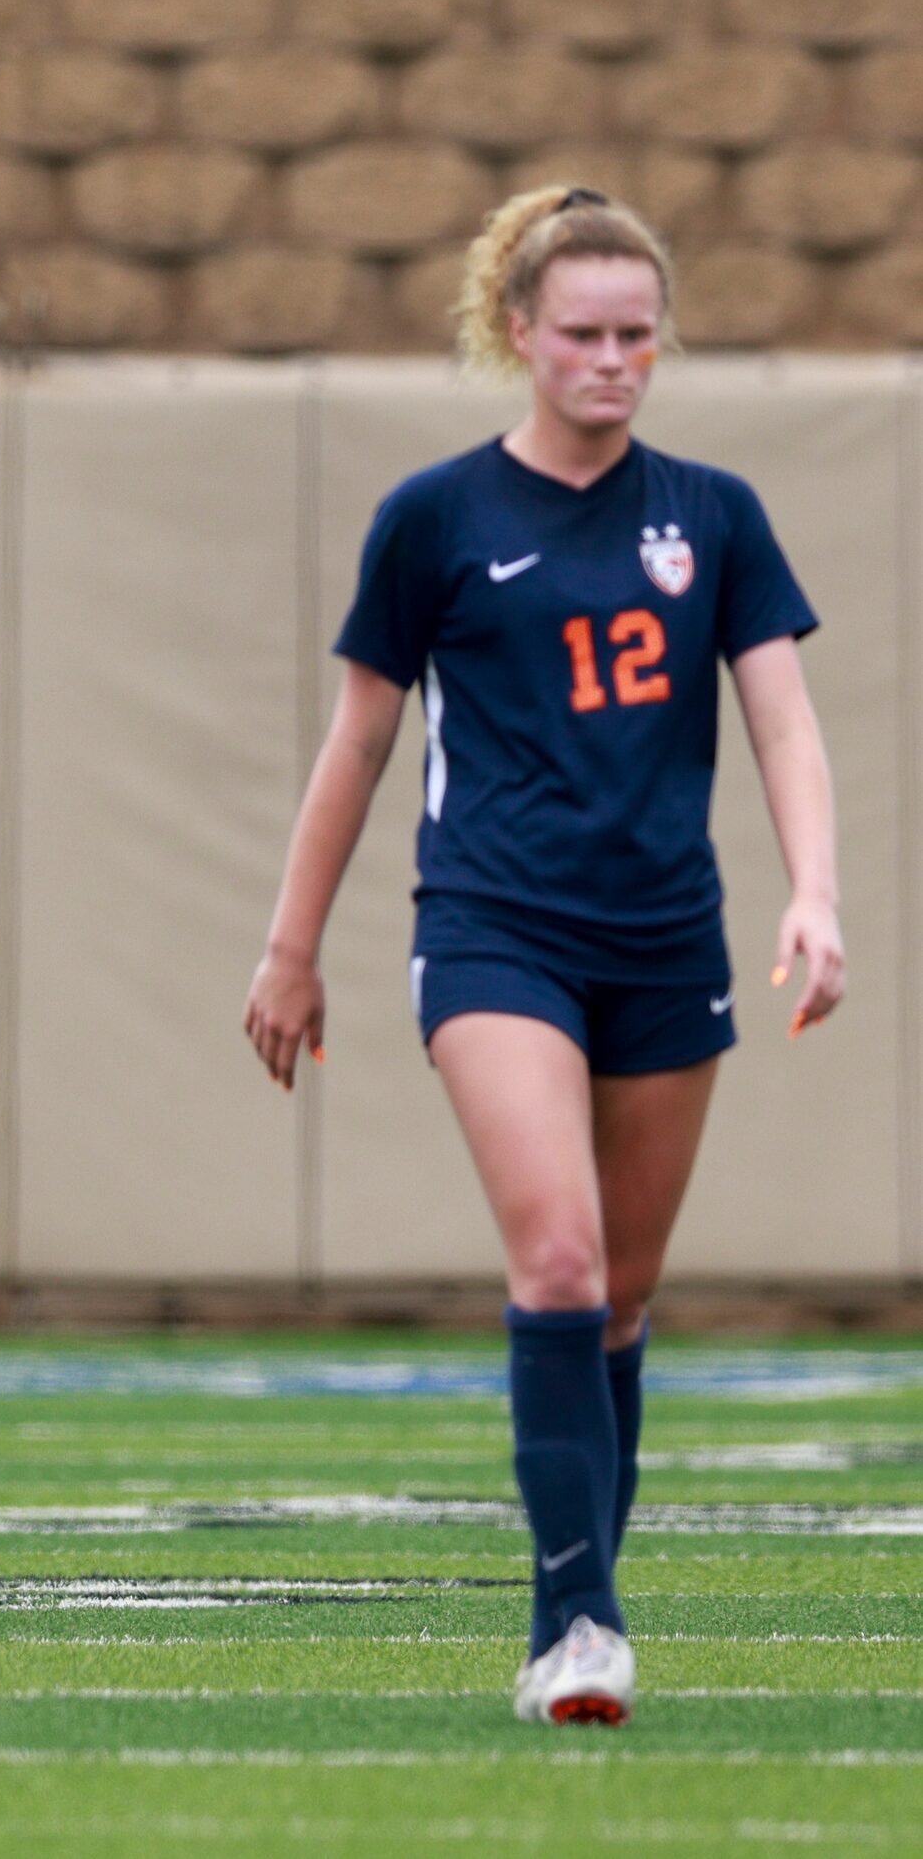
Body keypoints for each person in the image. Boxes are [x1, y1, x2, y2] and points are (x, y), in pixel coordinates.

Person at [243, 190, 841, 1725]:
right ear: (515, 332)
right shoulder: (434, 519)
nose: (611, 361)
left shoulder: (709, 513)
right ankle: (584, 1620)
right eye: (580, 334)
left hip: (663, 941)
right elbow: (357, 742)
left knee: (623, 1299)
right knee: (559, 1258)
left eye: (636, 336)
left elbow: (778, 714)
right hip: (493, 929)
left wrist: (812, 894)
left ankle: (557, 1614)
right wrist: (288, 948)